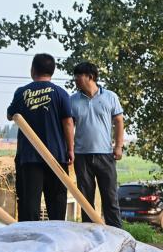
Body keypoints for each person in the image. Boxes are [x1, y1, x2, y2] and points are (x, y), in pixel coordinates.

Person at [7, 53, 74, 221]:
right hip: (56, 157)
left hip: (29, 159)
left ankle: (28, 243)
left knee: (28, 206)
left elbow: (10, 115)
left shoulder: (22, 92)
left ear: (33, 69)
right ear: (52, 71)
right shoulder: (61, 94)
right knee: (57, 206)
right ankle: (58, 242)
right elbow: (68, 123)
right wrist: (70, 149)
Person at [70, 61, 124, 228]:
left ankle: (117, 234)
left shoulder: (110, 97)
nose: (76, 80)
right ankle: (90, 236)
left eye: (79, 76)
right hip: (81, 156)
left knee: (110, 197)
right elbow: (69, 126)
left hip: (105, 154)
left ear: (90, 77)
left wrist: (118, 146)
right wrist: (69, 149)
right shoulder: (72, 100)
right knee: (86, 200)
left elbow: (119, 121)